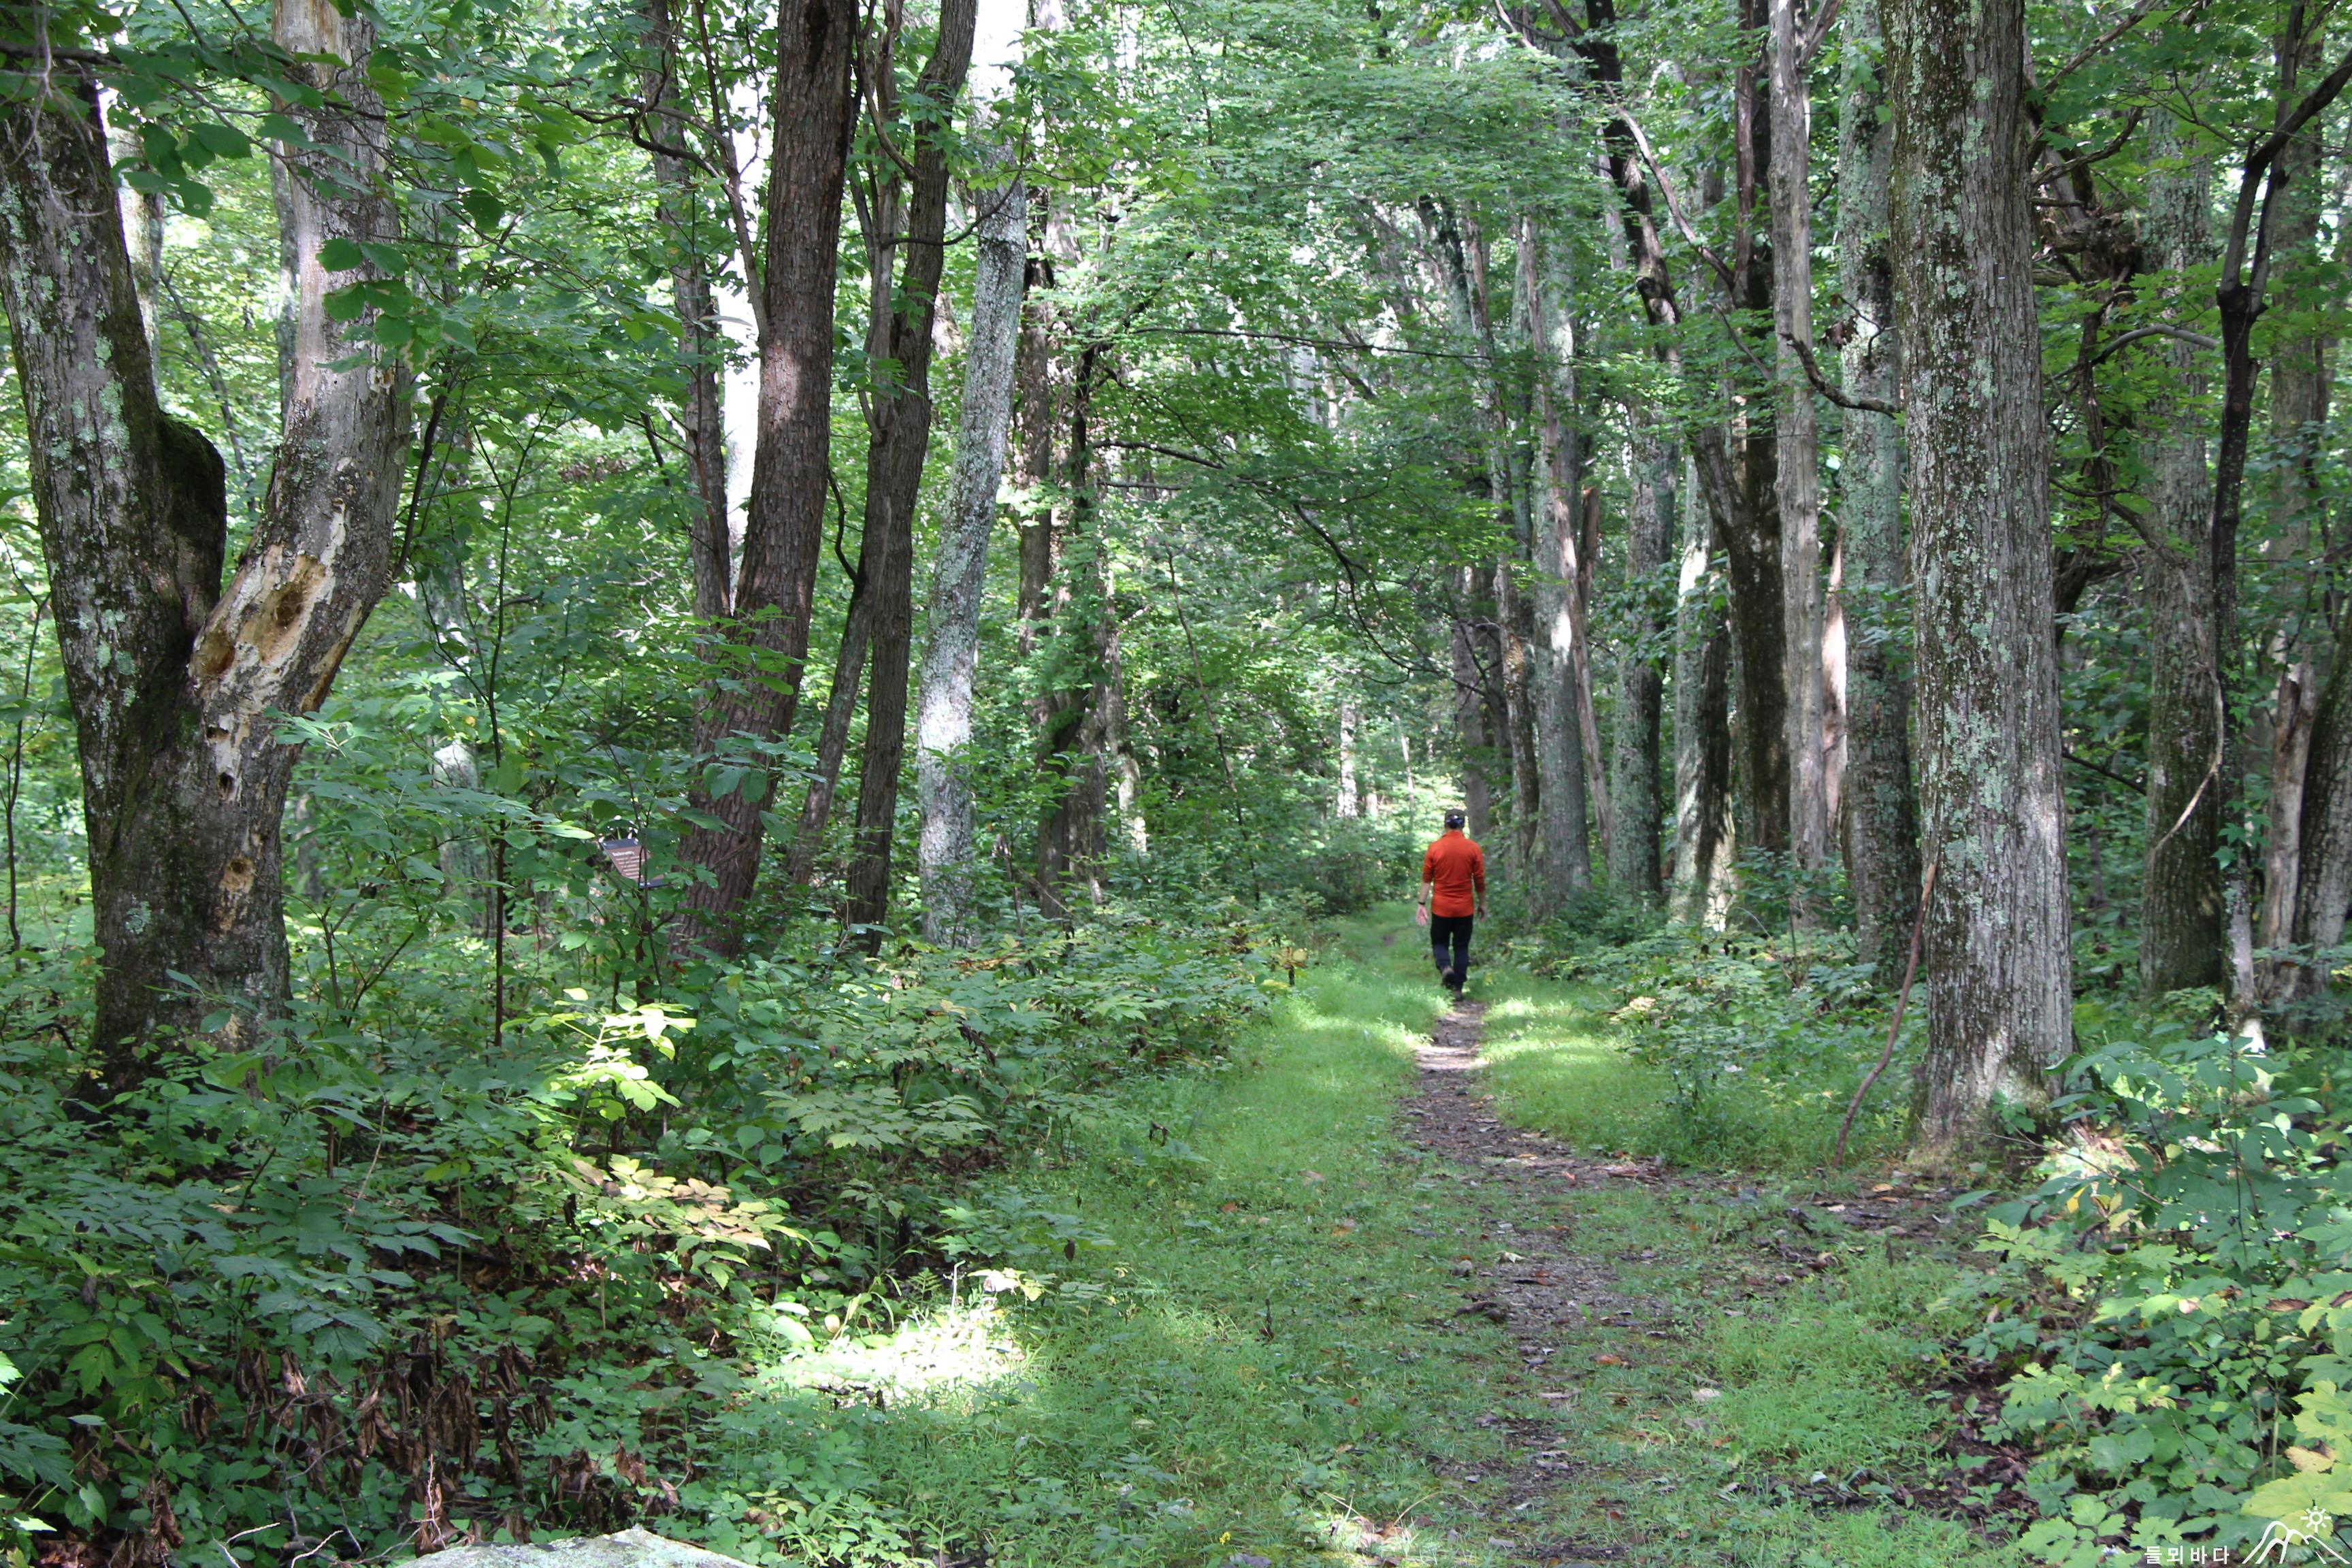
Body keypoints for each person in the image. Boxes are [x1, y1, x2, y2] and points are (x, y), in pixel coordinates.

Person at [1416, 811, 1486, 994]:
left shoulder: (1435, 848)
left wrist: (1421, 904)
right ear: (1463, 825)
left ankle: (1446, 968)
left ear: (1445, 824)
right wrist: (1483, 903)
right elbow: (1479, 879)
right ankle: (1458, 989)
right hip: (1465, 908)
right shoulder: (1473, 848)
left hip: (1441, 908)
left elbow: (1426, 879)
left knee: (1439, 943)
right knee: (1461, 947)